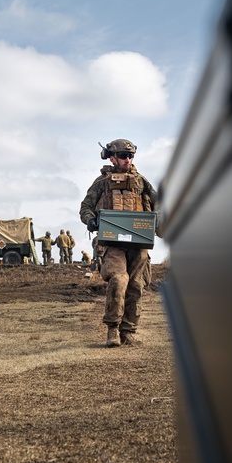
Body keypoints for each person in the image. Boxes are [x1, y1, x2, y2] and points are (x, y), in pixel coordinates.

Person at [80, 139, 158, 347]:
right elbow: (85, 207)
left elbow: (159, 205)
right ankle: (112, 330)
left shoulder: (141, 181)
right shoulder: (102, 182)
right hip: (112, 243)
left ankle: (129, 331)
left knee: (136, 285)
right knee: (118, 280)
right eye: (123, 155)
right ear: (112, 157)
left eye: (131, 156)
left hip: (139, 243)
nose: (128, 159)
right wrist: (91, 220)